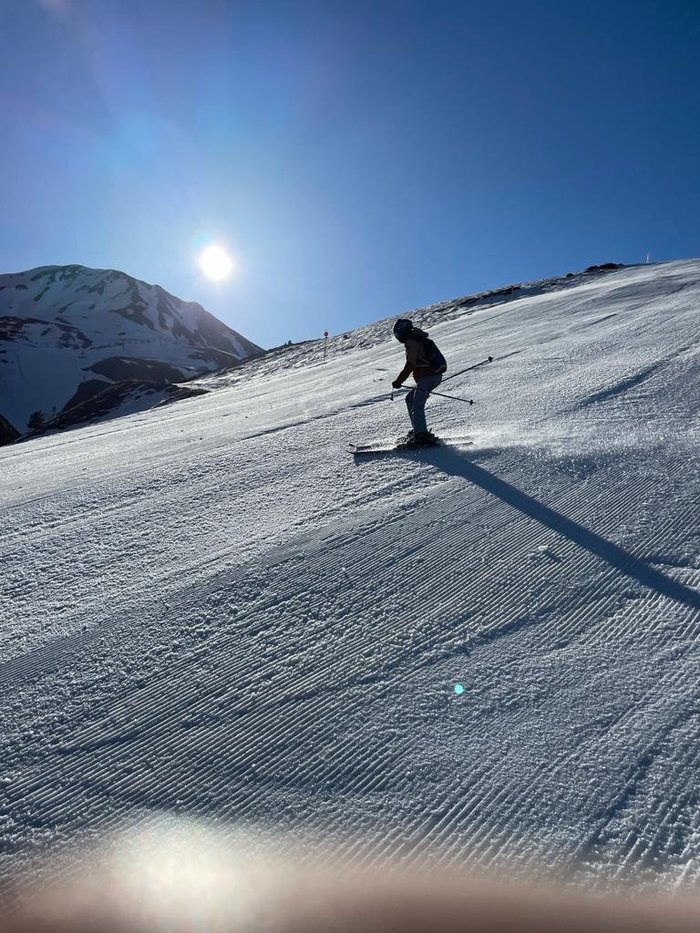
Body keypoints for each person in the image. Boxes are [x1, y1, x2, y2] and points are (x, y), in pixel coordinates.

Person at [391, 319, 446, 447]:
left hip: (427, 376)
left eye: (398, 334)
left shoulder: (412, 341)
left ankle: (421, 436)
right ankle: (418, 430)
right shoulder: (419, 338)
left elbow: (411, 363)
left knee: (417, 404)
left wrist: (399, 381)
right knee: (410, 399)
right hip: (433, 376)